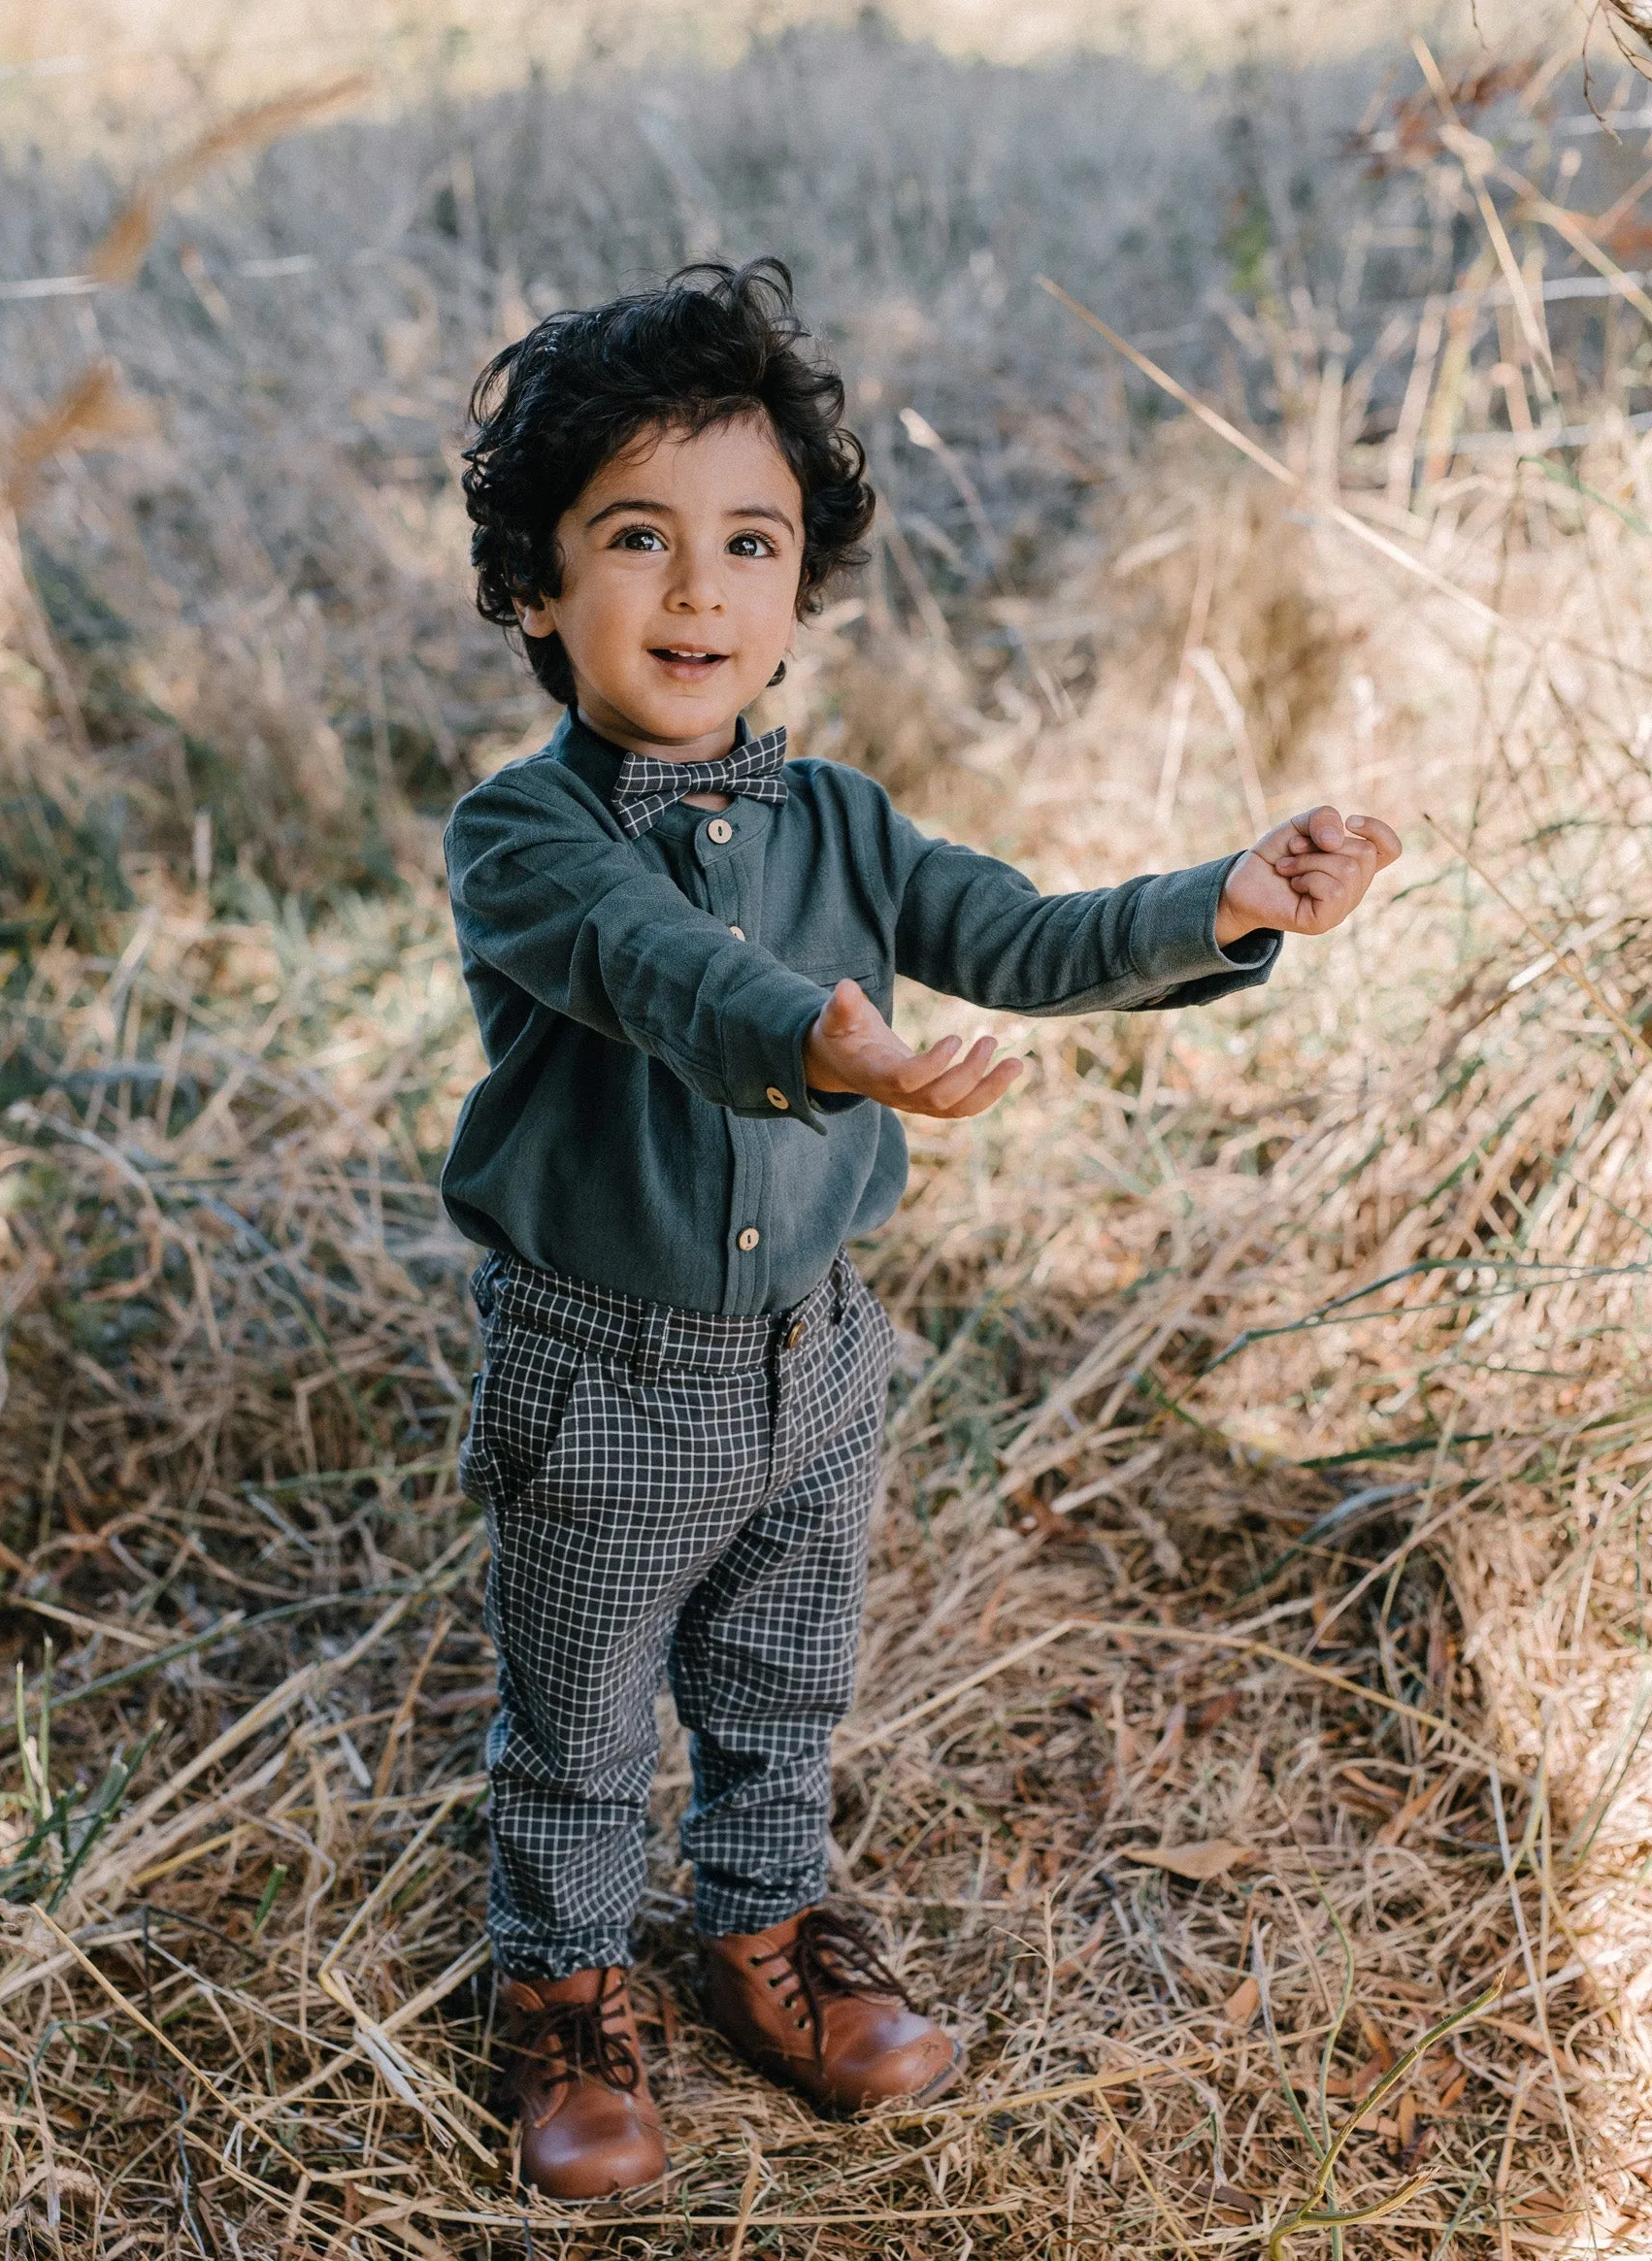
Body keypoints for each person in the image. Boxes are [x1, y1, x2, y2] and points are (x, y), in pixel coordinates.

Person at [443, 257, 1400, 2201]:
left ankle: (761, 1939)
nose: (700, 590)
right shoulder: (524, 836)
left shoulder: (851, 826)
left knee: (784, 1681)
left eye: (750, 542)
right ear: (539, 587)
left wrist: (1229, 897)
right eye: (638, 539)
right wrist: (827, 1042)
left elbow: (1028, 938)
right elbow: (656, 969)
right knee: (583, 1710)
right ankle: (562, 1987)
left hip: (817, 1352)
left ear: (801, 588)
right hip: (604, 1365)